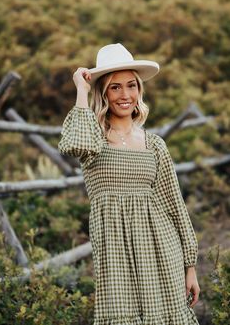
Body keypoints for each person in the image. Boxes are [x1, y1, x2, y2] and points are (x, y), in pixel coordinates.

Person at [58, 43, 200, 325]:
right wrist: (82, 91)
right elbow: (74, 144)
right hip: (116, 255)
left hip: (162, 253)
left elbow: (174, 205)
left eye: (131, 85)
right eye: (115, 87)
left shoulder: (154, 145)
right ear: (103, 92)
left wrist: (190, 266)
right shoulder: (94, 140)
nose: (126, 95)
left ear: (139, 90)